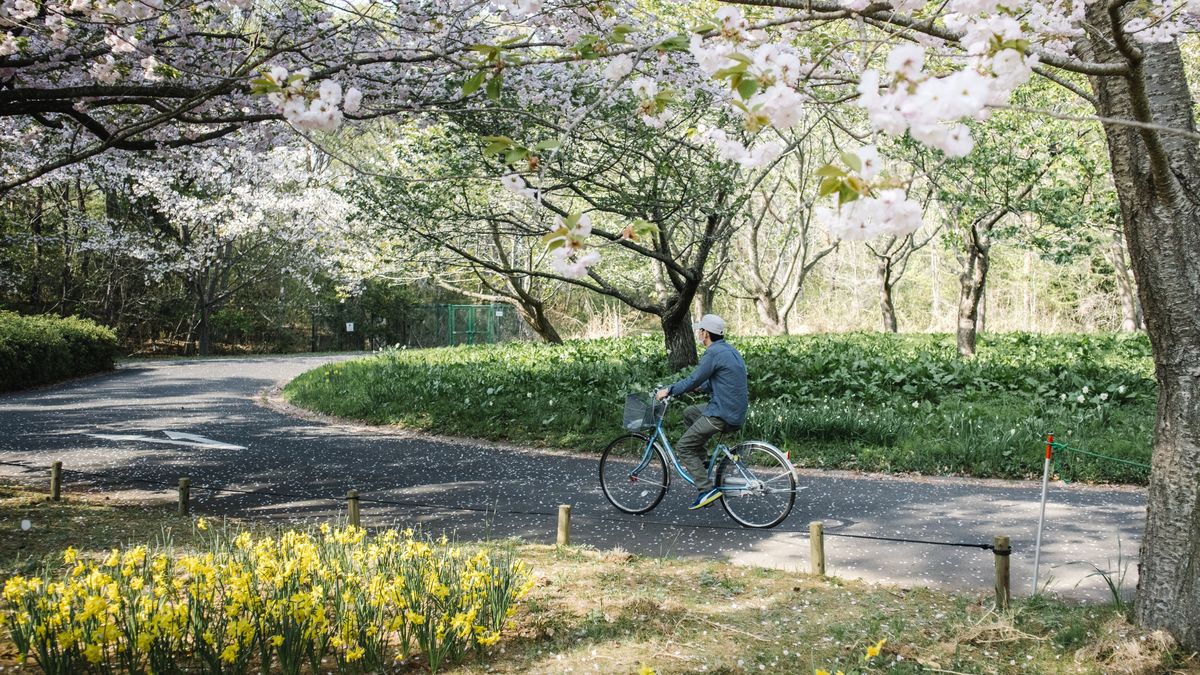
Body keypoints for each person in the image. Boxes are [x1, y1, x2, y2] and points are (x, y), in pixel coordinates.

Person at [655, 314, 748, 510]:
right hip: (733, 409)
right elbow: (721, 380)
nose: (698, 333)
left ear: (705, 333)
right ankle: (703, 461)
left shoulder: (712, 353)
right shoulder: (729, 350)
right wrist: (701, 387)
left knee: (683, 447)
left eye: (700, 330)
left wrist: (669, 390)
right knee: (690, 412)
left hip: (721, 413)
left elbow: (692, 379)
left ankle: (706, 490)